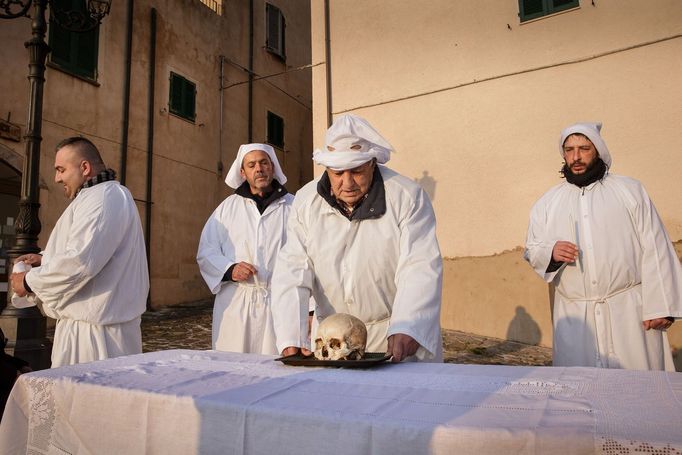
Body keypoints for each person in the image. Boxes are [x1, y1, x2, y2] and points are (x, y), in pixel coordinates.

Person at [270, 114, 443, 362]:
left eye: (357, 171)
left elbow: (419, 265)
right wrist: (291, 335)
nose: (347, 182)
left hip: (391, 334)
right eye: (338, 172)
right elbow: (293, 267)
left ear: (373, 163)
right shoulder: (307, 201)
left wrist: (408, 326)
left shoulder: (407, 196)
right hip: (332, 342)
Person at [524, 122, 682, 371]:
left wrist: (661, 306)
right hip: (576, 318)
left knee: (638, 390)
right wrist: (550, 252)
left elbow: (656, 246)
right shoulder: (548, 202)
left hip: (629, 313)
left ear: (598, 150)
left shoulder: (630, 191)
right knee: (579, 395)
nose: (576, 157)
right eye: (569, 149)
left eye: (584, 148)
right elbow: (532, 249)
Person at [9, 137, 149, 368]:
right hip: (87, 329)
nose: (57, 178)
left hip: (97, 338)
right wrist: (46, 259)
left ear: (85, 168)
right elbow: (91, 253)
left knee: (93, 401)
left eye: (61, 170)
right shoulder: (97, 197)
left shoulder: (104, 197)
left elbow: (81, 262)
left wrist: (29, 281)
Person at [197, 143, 293, 354]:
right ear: (243, 172)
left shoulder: (293, 207)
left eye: (263, 163)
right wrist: (230, 269)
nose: (258, 168)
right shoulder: (227, 208)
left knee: (276, 368)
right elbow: (206, 251)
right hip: (236, 304)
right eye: (251, 165)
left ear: (273, 167)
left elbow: (306, 256)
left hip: (278, 303)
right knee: (233, 367)